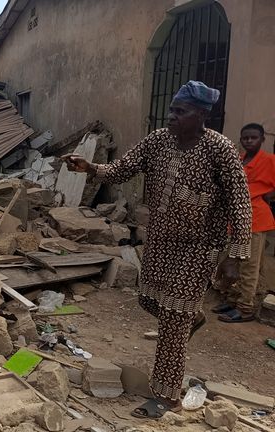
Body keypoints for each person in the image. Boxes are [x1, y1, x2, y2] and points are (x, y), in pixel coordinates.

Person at [62, 80, 252, 419]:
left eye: (180, 112)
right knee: (150, 300)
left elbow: (240, 203)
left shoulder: (219, 149)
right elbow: (123, 168)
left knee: (171, 320)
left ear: (201, 114)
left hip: (200, 247)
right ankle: (190, 315)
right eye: (172, 110)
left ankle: (166, 396)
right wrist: (90, 167)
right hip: (161, 241)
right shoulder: (158, 141)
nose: (172, 117)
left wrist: (235, 256)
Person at [213, 123, 275, 322]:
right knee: (234, 263)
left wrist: (267, 196)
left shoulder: (269, 160)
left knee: (249, 266)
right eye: (245, 138)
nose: (249, 141)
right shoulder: (239, 160)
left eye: (253, 138)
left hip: (256, 219)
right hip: (236, 220)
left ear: (262, 139)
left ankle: (245, 307)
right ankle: (232, 300)